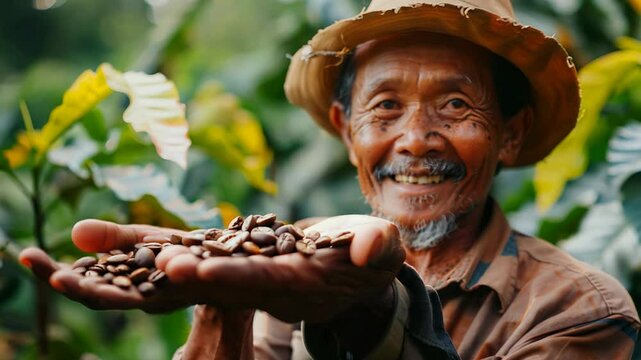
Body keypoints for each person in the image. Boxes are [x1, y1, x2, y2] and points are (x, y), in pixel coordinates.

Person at [19, 0, 641, 359]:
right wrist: (224, 309)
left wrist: (370, 308)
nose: (415, 139)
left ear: (509, 131)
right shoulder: (288, 278)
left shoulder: (578, 312)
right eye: (385, 107)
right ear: (347, 131)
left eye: (455, 106)